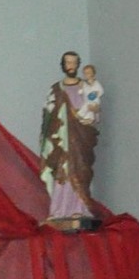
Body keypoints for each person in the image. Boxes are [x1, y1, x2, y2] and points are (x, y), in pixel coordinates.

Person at [39, 51, 101, 224]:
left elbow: (93, 108)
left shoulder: (87, 87)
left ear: (78, 64)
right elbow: (47, 115)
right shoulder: (56, 89)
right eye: (68, 62)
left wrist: (94, 113)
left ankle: (80, 208)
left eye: (74, 62)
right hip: (60, 138)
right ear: (63, 65)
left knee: (80, 169)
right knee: (61, 171)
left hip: (80, 136)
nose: (71, 66)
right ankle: (59, 210)